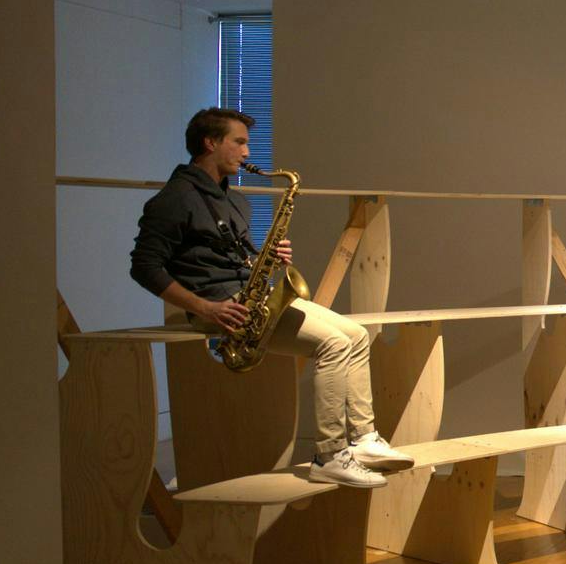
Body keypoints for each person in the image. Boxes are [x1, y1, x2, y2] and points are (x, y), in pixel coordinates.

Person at [129, 107, 414, 489]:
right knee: (331, 344)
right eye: (239, 142)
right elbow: (144, 266)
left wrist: (261, 257)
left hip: (249, 299)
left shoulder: (233, 201)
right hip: (219, 307)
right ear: (210, 143)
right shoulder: (174, 199)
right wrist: (203, 307)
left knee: (357, 335)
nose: (247, 153)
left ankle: (362, 440)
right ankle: (330, 455)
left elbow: (221, 254)